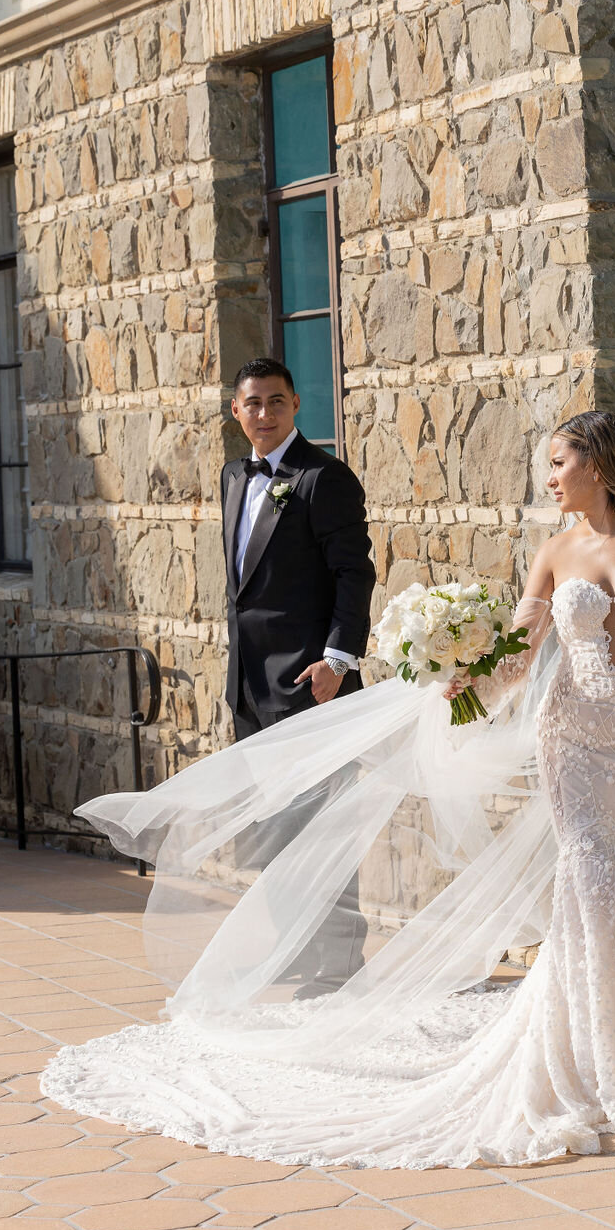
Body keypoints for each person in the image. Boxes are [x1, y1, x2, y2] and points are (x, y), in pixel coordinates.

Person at [42, 409, 615, 1169]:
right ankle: (611, 1068)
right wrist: (455, 677)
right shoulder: (557, 552)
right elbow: (518, 661)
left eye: (559, 464)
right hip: (577, 744)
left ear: (599, 463)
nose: (549, 478)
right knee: (591, 878)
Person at [222, 357, 375, 995]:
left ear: (296, 406)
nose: (264, 414)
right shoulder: (234, 475)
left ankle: (338, 962)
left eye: (276, 403)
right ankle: (294, 947)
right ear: (237, 412)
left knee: (323, 825)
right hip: (251, 686)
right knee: (275, 828)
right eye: (253, 403)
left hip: (313, 684)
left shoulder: (325, 478)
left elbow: (354, 574)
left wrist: (339, 659)